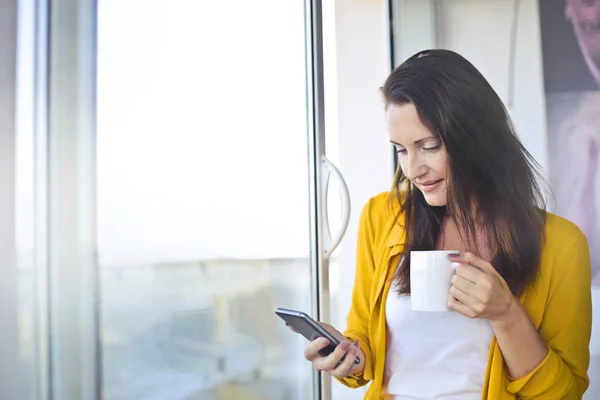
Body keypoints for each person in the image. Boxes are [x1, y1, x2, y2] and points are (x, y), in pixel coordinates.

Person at [291, 50, 592, 399]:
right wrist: (347, 357)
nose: (413, 169)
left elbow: (565, 393)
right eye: (401, 150)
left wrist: (506, 313)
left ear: (476, 138)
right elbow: (366, 347)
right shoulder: (382, 217)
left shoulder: (560, 244)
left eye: (429, 146)